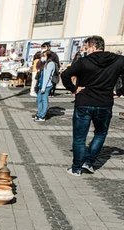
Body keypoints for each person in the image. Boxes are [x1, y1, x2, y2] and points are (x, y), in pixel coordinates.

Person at [61, 35, 124, 176]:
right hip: (104, 103)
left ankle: (76, 168)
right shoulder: (119, 60)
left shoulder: (84, 61)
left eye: (87, 47)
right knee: (100, 133)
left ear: (94, 47)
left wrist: (73, 89)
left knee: (79, 137)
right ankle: (88, 162)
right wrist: (119, 92)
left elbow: (65, 75)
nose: (86, 50)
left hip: (84, 102)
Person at [34, 51, 56, 122]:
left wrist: (43, 87)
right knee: (38, 100)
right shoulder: (45, 63)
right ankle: (39, 114)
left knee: (44, 100)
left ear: (48, 56)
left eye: (44, 55)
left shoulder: (51, 64)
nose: (42, 57)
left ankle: (42, 116)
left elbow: (47, 76)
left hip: (46, 85)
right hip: (42, 84)